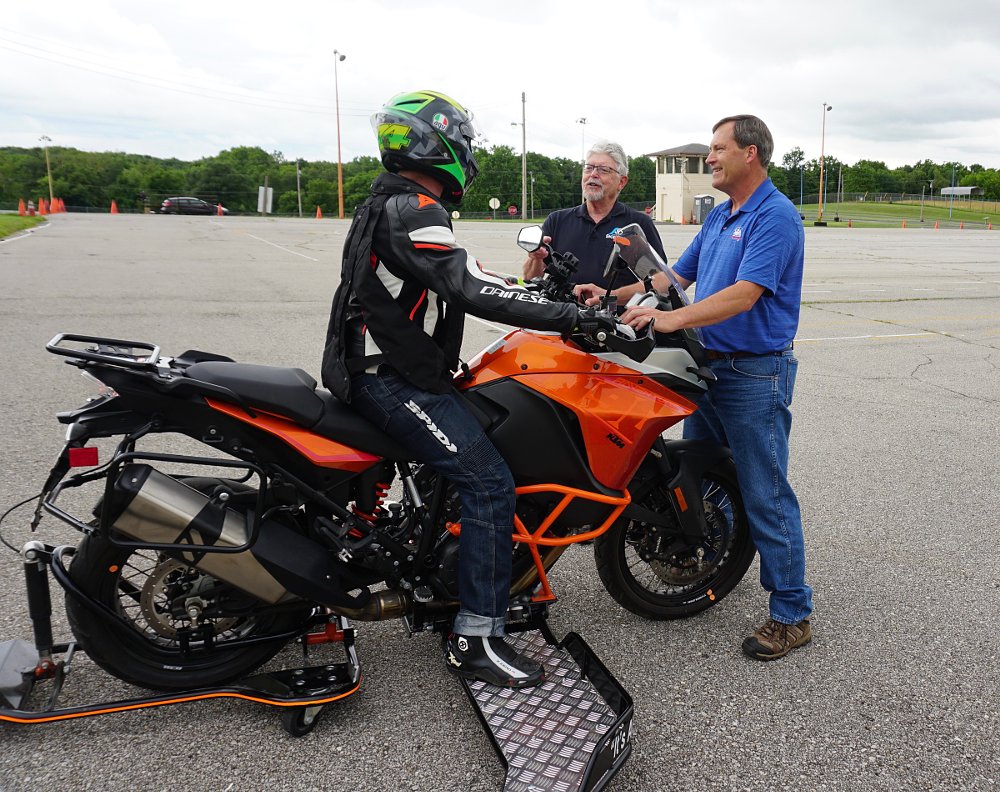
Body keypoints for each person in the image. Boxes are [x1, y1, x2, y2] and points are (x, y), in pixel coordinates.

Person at [321, 90, 582, 688]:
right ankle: (477, 635)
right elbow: (468, 285)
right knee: (491, 483)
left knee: (467, 448)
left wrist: (539, 296)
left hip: (383, 371)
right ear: (445, 147)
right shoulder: (414, 207)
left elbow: (459, 276)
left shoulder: (389, 202)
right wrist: (567, 315)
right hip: (387, 380)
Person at [617, 114, 813, 661]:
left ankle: (792, 612)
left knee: (764, 491)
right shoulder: (723, 215)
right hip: (709, 368)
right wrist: (615, 296)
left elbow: (745, 294)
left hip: (754, 373)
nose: (709, 159)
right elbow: (673, 277)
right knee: (704, 475)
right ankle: (710, 560)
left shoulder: (773, 217)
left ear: (750, 153)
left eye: (718, 149)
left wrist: (670, 321)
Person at [522, 141, 666, 290]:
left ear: (621, 182)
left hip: (618, 313)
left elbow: (660, 283)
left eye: (603, 170)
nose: (593, 174)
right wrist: (535, 258)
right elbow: (531, 279)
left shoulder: (638, 223)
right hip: (562, 312)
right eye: (588, 168)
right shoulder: (557, 221)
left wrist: (609, 297)